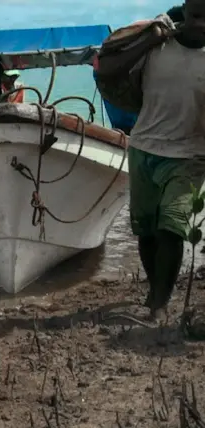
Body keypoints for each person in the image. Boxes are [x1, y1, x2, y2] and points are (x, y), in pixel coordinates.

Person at [98, 0, 205, 321]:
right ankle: (155, 289)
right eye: (197, 15)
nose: (202, 23)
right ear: (185, 11)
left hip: (189, 157)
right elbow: (108, 70)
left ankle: (159, 304)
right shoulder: (156, 47)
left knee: (171, 229)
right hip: (143, 148)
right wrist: (149, 40)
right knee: (145, 232)